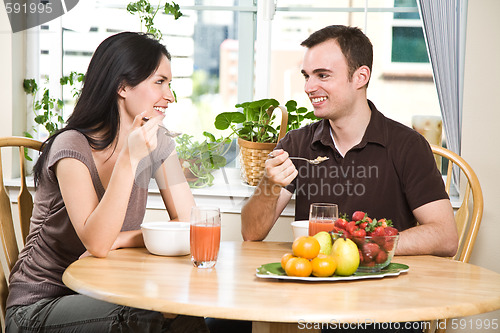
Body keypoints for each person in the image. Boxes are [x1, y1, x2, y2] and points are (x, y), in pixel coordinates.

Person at [6, 32, 208, 332]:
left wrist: (122, 239)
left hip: (103, 292)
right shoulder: (71, 147)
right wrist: (130, 158)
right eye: (159, 82)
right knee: (142, 313)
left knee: (184, 311)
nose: (170, 96)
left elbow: (192, 222)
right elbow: (98, 243)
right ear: (122, 86)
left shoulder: (158, 143)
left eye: (170, 84)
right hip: (40, 306)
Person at [241, 25, 458, 258]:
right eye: (307, 76)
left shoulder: (408, 146)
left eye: (322, 75)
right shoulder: (295, 145)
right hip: (316, 284)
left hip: (384, 286)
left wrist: (362, 246)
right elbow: (251, 233)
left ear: (360, 77)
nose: (308, 87)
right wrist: (268, 183)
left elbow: (445, 237)